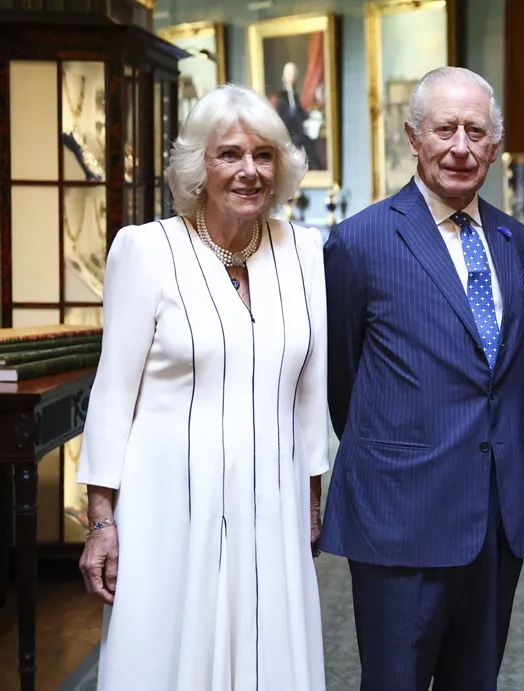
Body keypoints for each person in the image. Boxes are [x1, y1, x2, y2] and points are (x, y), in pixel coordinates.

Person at [76, 83, 328, 690]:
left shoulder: (305, 251)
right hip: (169, 507)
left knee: (268, 654)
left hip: (274, 501)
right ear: (198, 166)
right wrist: (101, 522)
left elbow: (310, 388)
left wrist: (313, 496)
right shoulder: (145, 250)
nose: (249, 171)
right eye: (230, 154)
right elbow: (113, 394)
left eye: (263, 155)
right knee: (167, 658)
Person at [319, 66, 524, 691]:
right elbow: (344, 382)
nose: (461, 147)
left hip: (498, 514)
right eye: (445, 129)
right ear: (414, 138)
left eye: (477, 131)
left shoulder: (517, 242)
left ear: (495, 146)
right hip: (401, 514)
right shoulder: (359, 243)